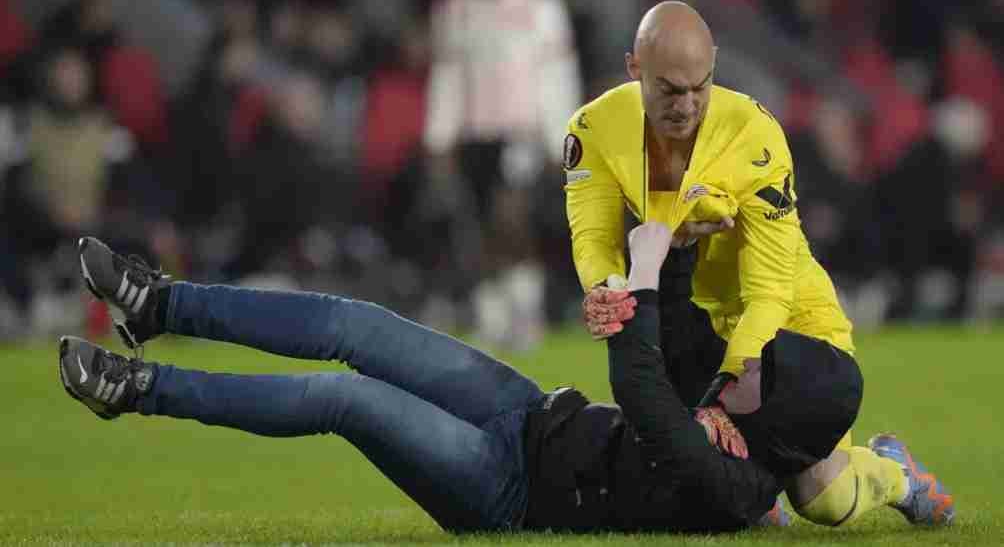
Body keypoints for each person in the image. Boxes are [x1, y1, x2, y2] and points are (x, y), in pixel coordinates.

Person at [62, 234, 784, 533]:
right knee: (356, 323)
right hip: (530, 409)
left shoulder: (742, 488)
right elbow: (686, 337)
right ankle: (159, 304)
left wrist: (649, 268)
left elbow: (640, 386)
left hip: (509, 491)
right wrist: (691, 235)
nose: (757, 359)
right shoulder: (736, 403)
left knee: (342, 399)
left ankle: (136, 387)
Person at [565, 2, 954, 526]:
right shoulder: (594, 129)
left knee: (825, 500)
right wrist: (606, 288)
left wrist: (720, 396)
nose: (686, 104)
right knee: (735, 500)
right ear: (635, 68)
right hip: (697, 326)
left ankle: (895, 471)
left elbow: (770, 290)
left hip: (786, 328)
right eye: (669, 90)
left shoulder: (754, 136)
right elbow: (593, 236)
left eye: (699, 87)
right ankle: (761, 485)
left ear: (715, 66)